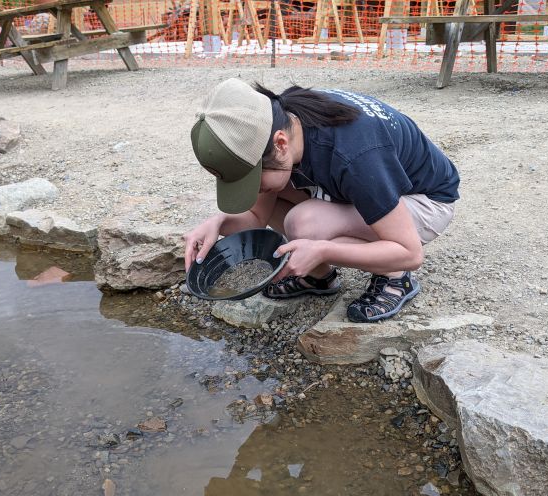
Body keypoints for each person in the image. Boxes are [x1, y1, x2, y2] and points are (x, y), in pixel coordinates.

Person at [184, 78, 459, 322]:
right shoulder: (276, 123)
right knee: (282, 195)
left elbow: (410, 253)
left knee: (304, 223)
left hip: (423, 201)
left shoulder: (354, 155)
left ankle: (395, 278)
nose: (253, 189)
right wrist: (218, 223)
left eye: (252, 179)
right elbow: (257, 217)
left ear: (280, 145)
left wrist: (323, 249)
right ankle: (319, 278)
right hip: (367, 188)